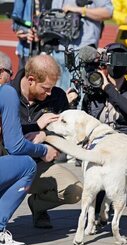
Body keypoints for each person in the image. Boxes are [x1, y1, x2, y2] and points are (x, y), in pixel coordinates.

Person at [10, 54, 83, 229]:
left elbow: (66, 135)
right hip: (8, 163)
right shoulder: (7, 94)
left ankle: (38, 205)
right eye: (46, 88)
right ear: (31, 80)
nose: (50, 93)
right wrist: (36, 126)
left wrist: (46, 137)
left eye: (52, 87)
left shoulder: (57, 97)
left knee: (75, 191)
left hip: (39, 165)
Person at [0, 84, 58, 245]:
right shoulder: (6, 91)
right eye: (9, 74)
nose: (10, 79)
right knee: (27, 164)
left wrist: (38, 128)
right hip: (34, 153)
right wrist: (43, 150)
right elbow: (15, 146)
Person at [81, 42, 127, 163]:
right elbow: (83, 119)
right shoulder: (93, 92)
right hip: (97, 141)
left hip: (125, 142)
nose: (117, 64)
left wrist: (107, 88)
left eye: (122, 59)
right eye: (113, 58)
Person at [51, 0, 113, 91]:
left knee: (80, 96)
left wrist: (79, 10)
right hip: (58, 49)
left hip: (82, 50)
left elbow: (108, 12)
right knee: (58, 97)